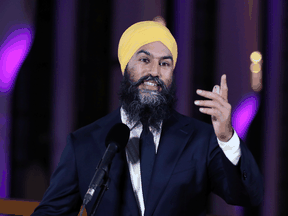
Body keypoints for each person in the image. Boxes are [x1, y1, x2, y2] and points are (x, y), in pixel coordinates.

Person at [32, 18, 263, 216]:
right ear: (125, 67)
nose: (154, 71)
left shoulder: (200, 139)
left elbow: (249, 195)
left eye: (164, 64)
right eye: (145, 60)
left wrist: (226, 136)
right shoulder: (84, 143)